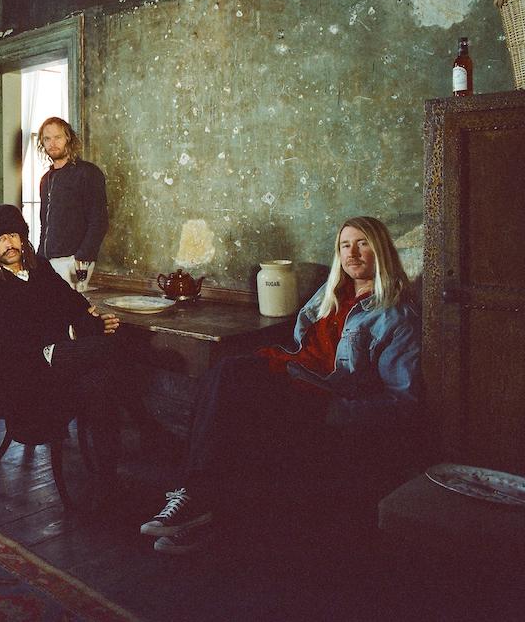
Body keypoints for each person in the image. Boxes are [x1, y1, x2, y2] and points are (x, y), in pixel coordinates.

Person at [140, 216, 421, 554]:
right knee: (224, 373)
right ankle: (198, 505)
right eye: (345, 245)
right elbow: (303, 342)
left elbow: (402, 400)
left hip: (323, 395)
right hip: (295, 373)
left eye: (363, 244)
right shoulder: (331, 292)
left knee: (233, 379)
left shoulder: (396, 316)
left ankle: (196, 502)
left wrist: (334, 411)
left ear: (381, 251)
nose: (352, 253)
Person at [0, 204, 138, 489]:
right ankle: (146, 424)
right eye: (0, 239)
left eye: (13, 235)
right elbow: (13, 342)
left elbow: (73, 304)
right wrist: (75, 330)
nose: (9, 243)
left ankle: (107, 477)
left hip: (56, 358)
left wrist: (91, 321)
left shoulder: (40, 268)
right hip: (25, 375)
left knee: (100, 380)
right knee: (114, 347)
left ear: (22, 237)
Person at [36, 117, 108, 290]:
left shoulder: (87, 173)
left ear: (68, 138)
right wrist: (39, 258)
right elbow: (45, 224)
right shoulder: (45, 180)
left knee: (71, 305)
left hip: (74, 261)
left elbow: (99, 221)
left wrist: (83, 257)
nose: (52, 143)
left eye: (58, 137)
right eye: (47, 139)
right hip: (47, 261)